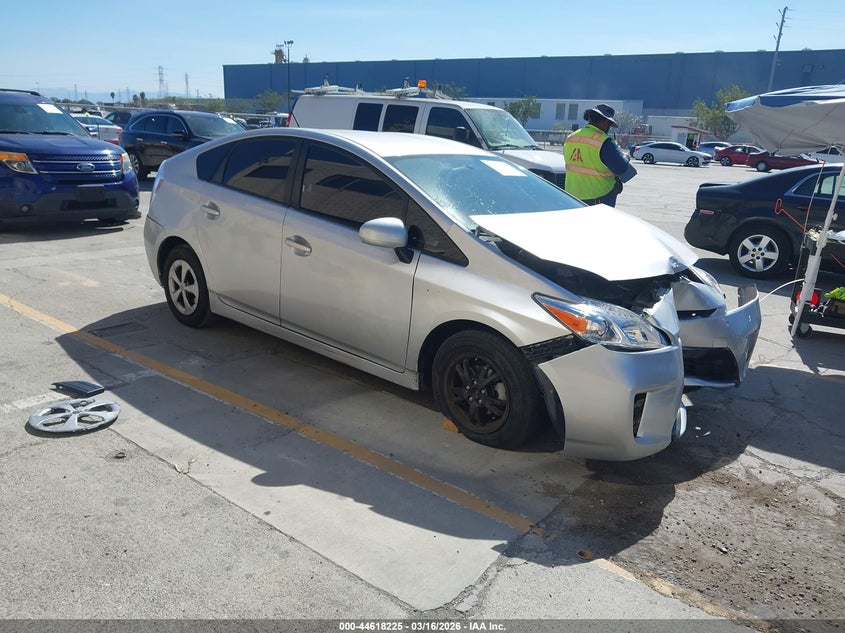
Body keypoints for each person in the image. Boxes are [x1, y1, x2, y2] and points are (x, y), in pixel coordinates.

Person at [563, 103, 637, 207]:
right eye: (609, 125)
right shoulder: (603, 142)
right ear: (605, 121)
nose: (609, 128)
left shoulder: (571, 138)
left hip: (572, 195)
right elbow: (621, 168)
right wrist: (626, 157)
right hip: (599, 196)